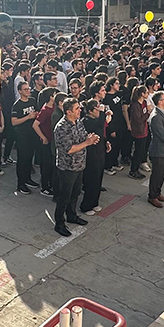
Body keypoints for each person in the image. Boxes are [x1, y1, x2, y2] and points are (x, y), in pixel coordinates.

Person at [52, 99, 96, 238]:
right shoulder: (62, 127)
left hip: (79, 165)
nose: (80, 110)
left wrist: (91, 139)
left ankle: (71, 215)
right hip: (67, 167)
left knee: (75, 193)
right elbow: (69, 149)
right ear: (68, 111)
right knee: (64, 196)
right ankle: (59, 223)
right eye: (77, 108)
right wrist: (87, 142)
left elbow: (83, 137)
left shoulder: (78, 122)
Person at [80, 98, 108, 215]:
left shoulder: (96, 120)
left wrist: (106, 143)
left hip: (100, 152)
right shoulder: (86, 121)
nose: (99, 111)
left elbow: (100, 132)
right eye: (97, 109)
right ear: (90, 111)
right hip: (91, 155)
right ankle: (86, 206)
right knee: (91, 181)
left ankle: (94, 202)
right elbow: (99, 125)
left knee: (98, 180)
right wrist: (103, 112)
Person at [10, 81, 39, 195]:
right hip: (22, 136)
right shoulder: (17, 105)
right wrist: (28, 117)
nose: (28, 91)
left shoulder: (32, 101)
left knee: (29, 158)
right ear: (20, 91)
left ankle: (27, 179)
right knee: (22, 159)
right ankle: (20, 184)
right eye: (25, 89)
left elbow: (36, 113)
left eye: (28, 88)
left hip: (32, 134)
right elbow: (14, 122)